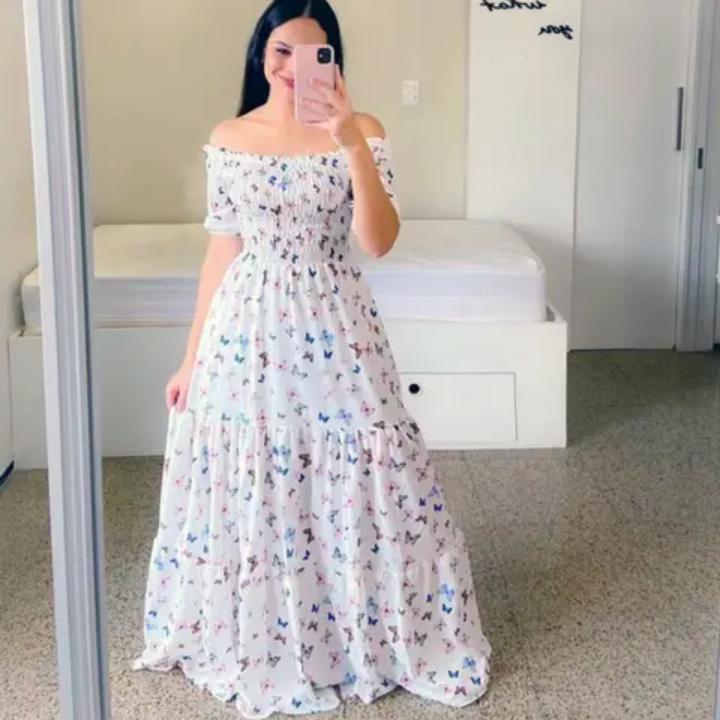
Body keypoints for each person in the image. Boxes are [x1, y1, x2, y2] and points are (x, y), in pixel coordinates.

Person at [133, 0, 492, 716]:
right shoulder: (230, 136)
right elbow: (221, 251)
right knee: (260, 473)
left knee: (366, 464)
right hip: (246, 329)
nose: (294, 67)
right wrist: (189, 358)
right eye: (281, 50)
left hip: (335, 321)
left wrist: (348, 140)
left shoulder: (363, 130)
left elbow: (378, 242)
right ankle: (271, 634)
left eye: (312, 52)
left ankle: (360, 633)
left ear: (333, 59)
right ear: (260, 55)